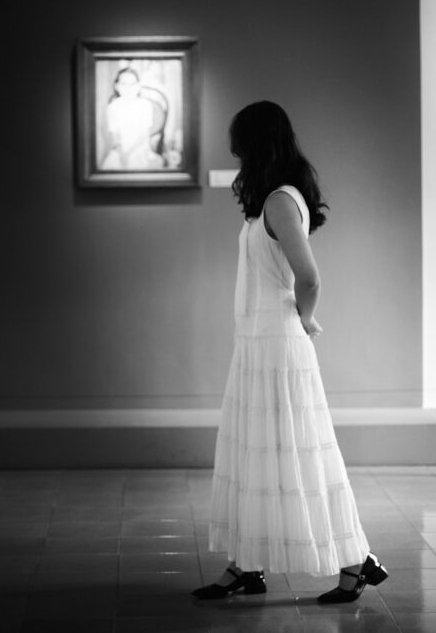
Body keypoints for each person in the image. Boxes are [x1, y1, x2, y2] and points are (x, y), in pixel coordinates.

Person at [191, 101, 387, 604]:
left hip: (278, 345)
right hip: (258, 344)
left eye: (241, 149)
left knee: (297, 452)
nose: (236, 159)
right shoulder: (270, 201)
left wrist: (303, 318)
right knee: (259, 455)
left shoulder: (279, 201)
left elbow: (310, 277)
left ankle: (355, 562)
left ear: (257, 147)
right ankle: (246, 566)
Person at [100, 67, 167, 170]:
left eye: (133, 84)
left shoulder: (145, 105)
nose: (128, 88)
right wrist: (122, 153)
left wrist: (128, 153)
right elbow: (115, 136)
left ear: (138, 85)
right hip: (120, 149)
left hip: (140, 148)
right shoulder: (113, 106)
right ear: (116, 86)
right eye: (124, 84)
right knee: (109, 167)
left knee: (136, 166)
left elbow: (144, 135)